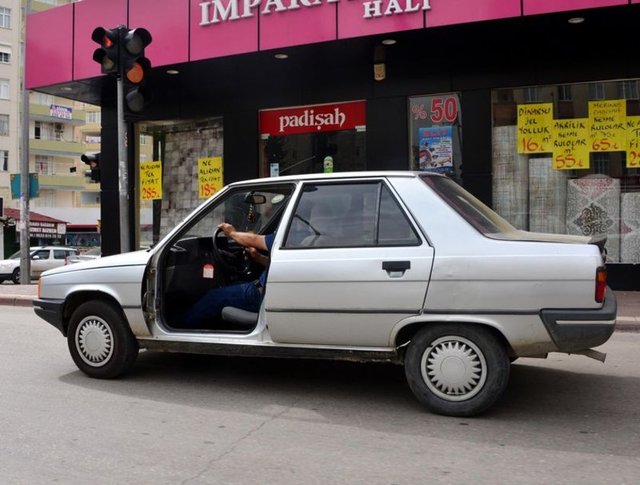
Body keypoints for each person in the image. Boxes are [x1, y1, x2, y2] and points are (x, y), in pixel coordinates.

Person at [182, 222, 275, 328]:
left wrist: (231, 233)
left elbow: (253, 239)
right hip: (263, 289)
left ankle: (178, 328)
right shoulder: (292, 241)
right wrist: (259, 257)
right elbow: (276, 263)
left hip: (260, 294)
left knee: (213, 297)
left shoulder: (290, 236)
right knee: (232, 285)